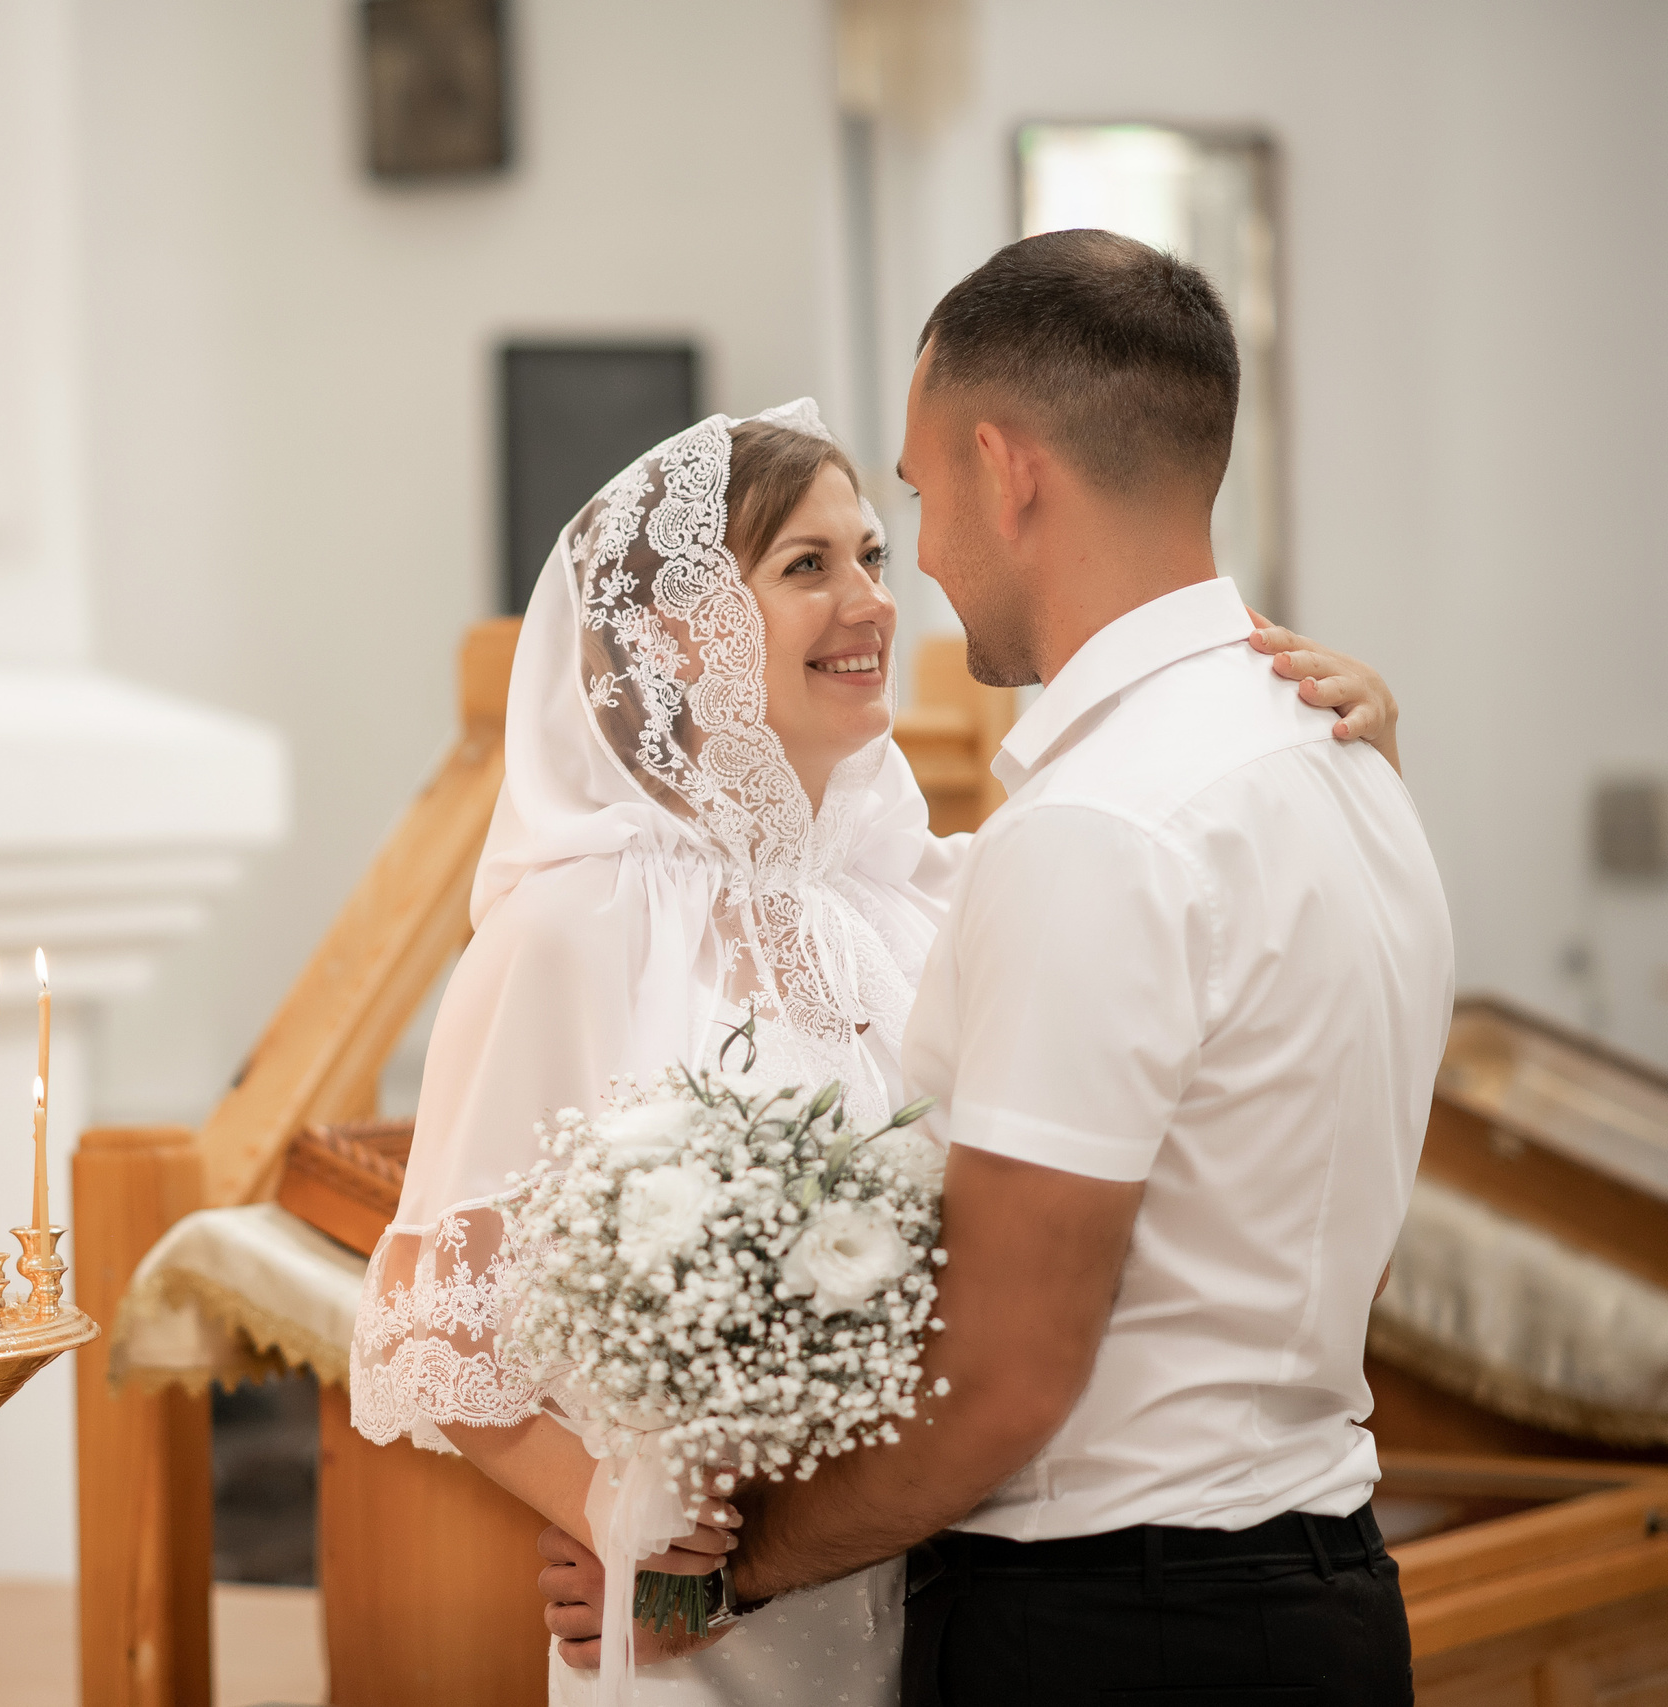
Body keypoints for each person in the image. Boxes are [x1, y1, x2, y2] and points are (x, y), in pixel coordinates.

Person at [352, 234, 1427, 1707]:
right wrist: (638, 1528)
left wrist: (1357, 722)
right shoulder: (574, 921)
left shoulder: (943, 880)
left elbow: (1228, 916)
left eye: (876, 539)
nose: (877, 593)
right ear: (680, 635)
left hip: (908, 1573)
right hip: (722, 1623)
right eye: (809, 564)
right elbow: (439, 1316)